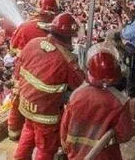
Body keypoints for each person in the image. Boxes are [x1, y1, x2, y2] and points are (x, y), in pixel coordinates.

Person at [13, 12, 85, 160]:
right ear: (67, 37)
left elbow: (17, 70)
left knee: (28, 131)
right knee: (46, 147)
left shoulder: (33, 43)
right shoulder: (66, 59)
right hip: (45, 114)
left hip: (26, 105)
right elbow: (80, 86)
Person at [60, 43, 135, 160]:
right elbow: (125, 135)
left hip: (76, 155)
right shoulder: (119, 101)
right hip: (106, 156)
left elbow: (64, 130)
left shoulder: (76, 95)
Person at [8, 0, 59, 140]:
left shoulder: (25, 27)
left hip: (24, 74)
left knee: (17, 101)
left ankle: (14, 132)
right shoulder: (59, 29)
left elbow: (12, 50)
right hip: (48, 78)